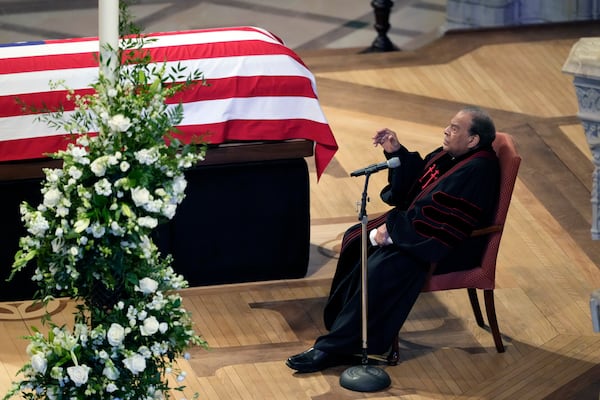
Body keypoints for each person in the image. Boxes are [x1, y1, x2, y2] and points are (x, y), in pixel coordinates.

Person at [286, 106, 500, 373]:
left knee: (382, 268)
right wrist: (396, 152)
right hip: (425, 232)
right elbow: (423, 182)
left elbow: (446, 218)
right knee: (358, 238)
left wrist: (394, 231)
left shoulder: (479, 169)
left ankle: (338, 347)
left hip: (450, 247)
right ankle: (346, 328)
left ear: (473, 140)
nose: (446, 130)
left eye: (455, 128)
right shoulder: (455, 157)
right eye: (449, 124)